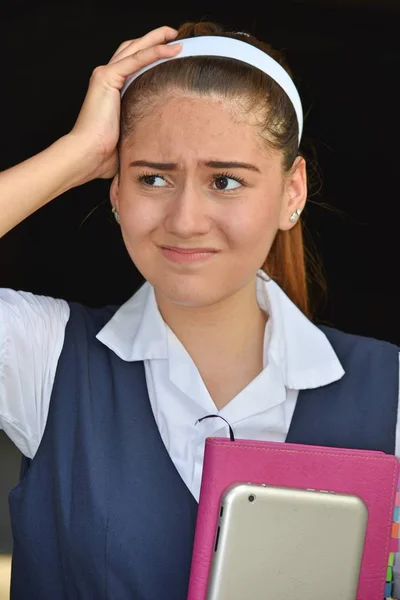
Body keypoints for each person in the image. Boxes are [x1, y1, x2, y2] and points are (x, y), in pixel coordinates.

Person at [0, 20, 399, 600]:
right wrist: (74, 154)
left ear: (292, 192)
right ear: (115, 191)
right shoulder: (48, 359)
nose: (186, 219)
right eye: (153, 177)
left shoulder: (388, 393)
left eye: (226, 181)